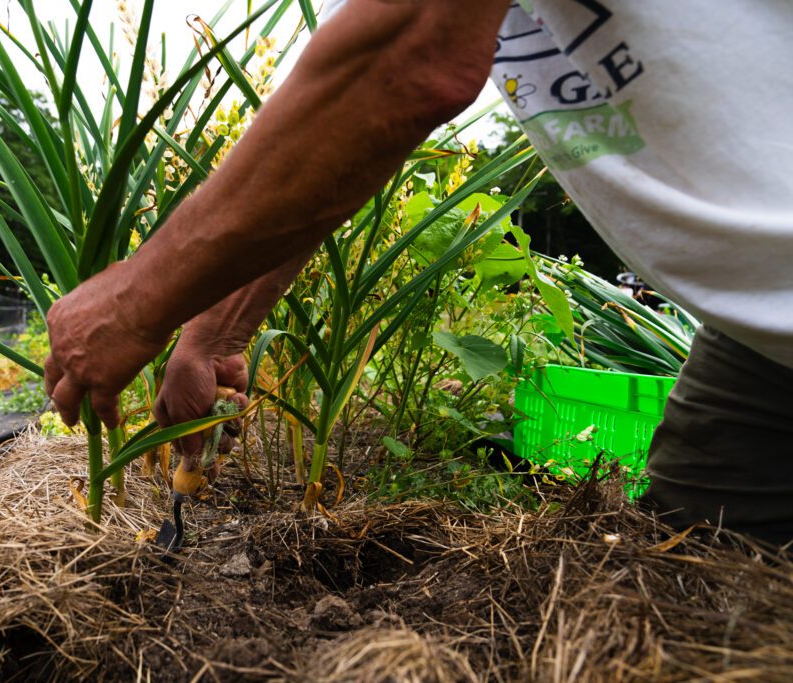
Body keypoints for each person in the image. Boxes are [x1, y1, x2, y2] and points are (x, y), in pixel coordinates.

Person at [43, 0, 793, 546]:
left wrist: (136, 304)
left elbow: (408, 62)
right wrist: (211, 335)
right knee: (701, 553)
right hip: (762, 327)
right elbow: (339, 133)